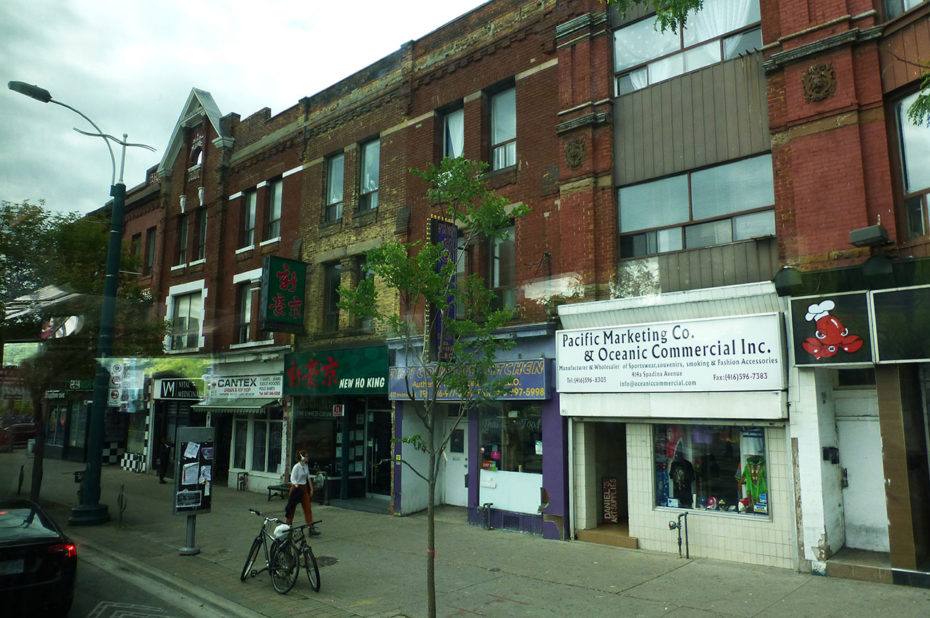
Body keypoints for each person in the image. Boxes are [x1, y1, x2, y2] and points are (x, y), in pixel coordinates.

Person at [284, 449, 317, 534]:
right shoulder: (296, 467)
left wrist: (311, 488)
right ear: (302, 457)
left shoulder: (305, 466)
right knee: (292, 508)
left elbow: (308, 477)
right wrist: (295, 484)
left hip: (304, 488)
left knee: (308, 508)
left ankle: (310, 527)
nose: (307, 457)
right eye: (306, 456)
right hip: (296, 488)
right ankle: (288, 526)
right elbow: (292, 478)